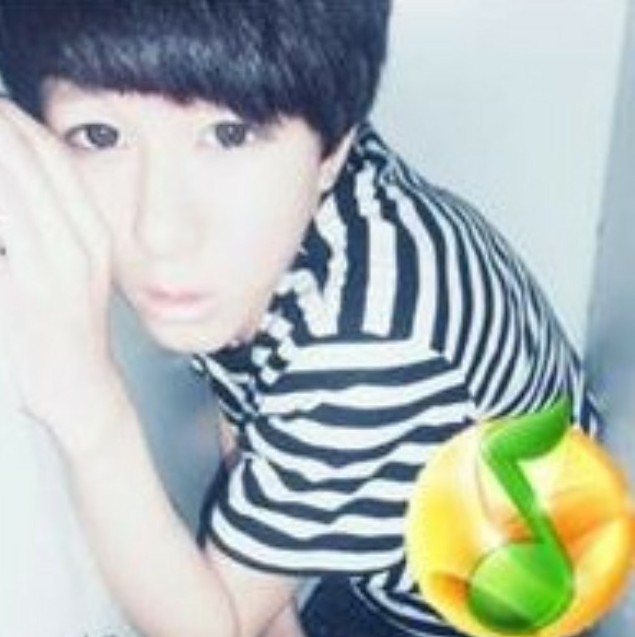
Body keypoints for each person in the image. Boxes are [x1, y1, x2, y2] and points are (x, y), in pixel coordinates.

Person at [0, 1, 601, 636]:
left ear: (331, 150)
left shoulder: (367, 352)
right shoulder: (290, 218)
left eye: (229, 134)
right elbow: (248, 397)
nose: (161, 231)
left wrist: (89, 408)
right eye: (100, 136)